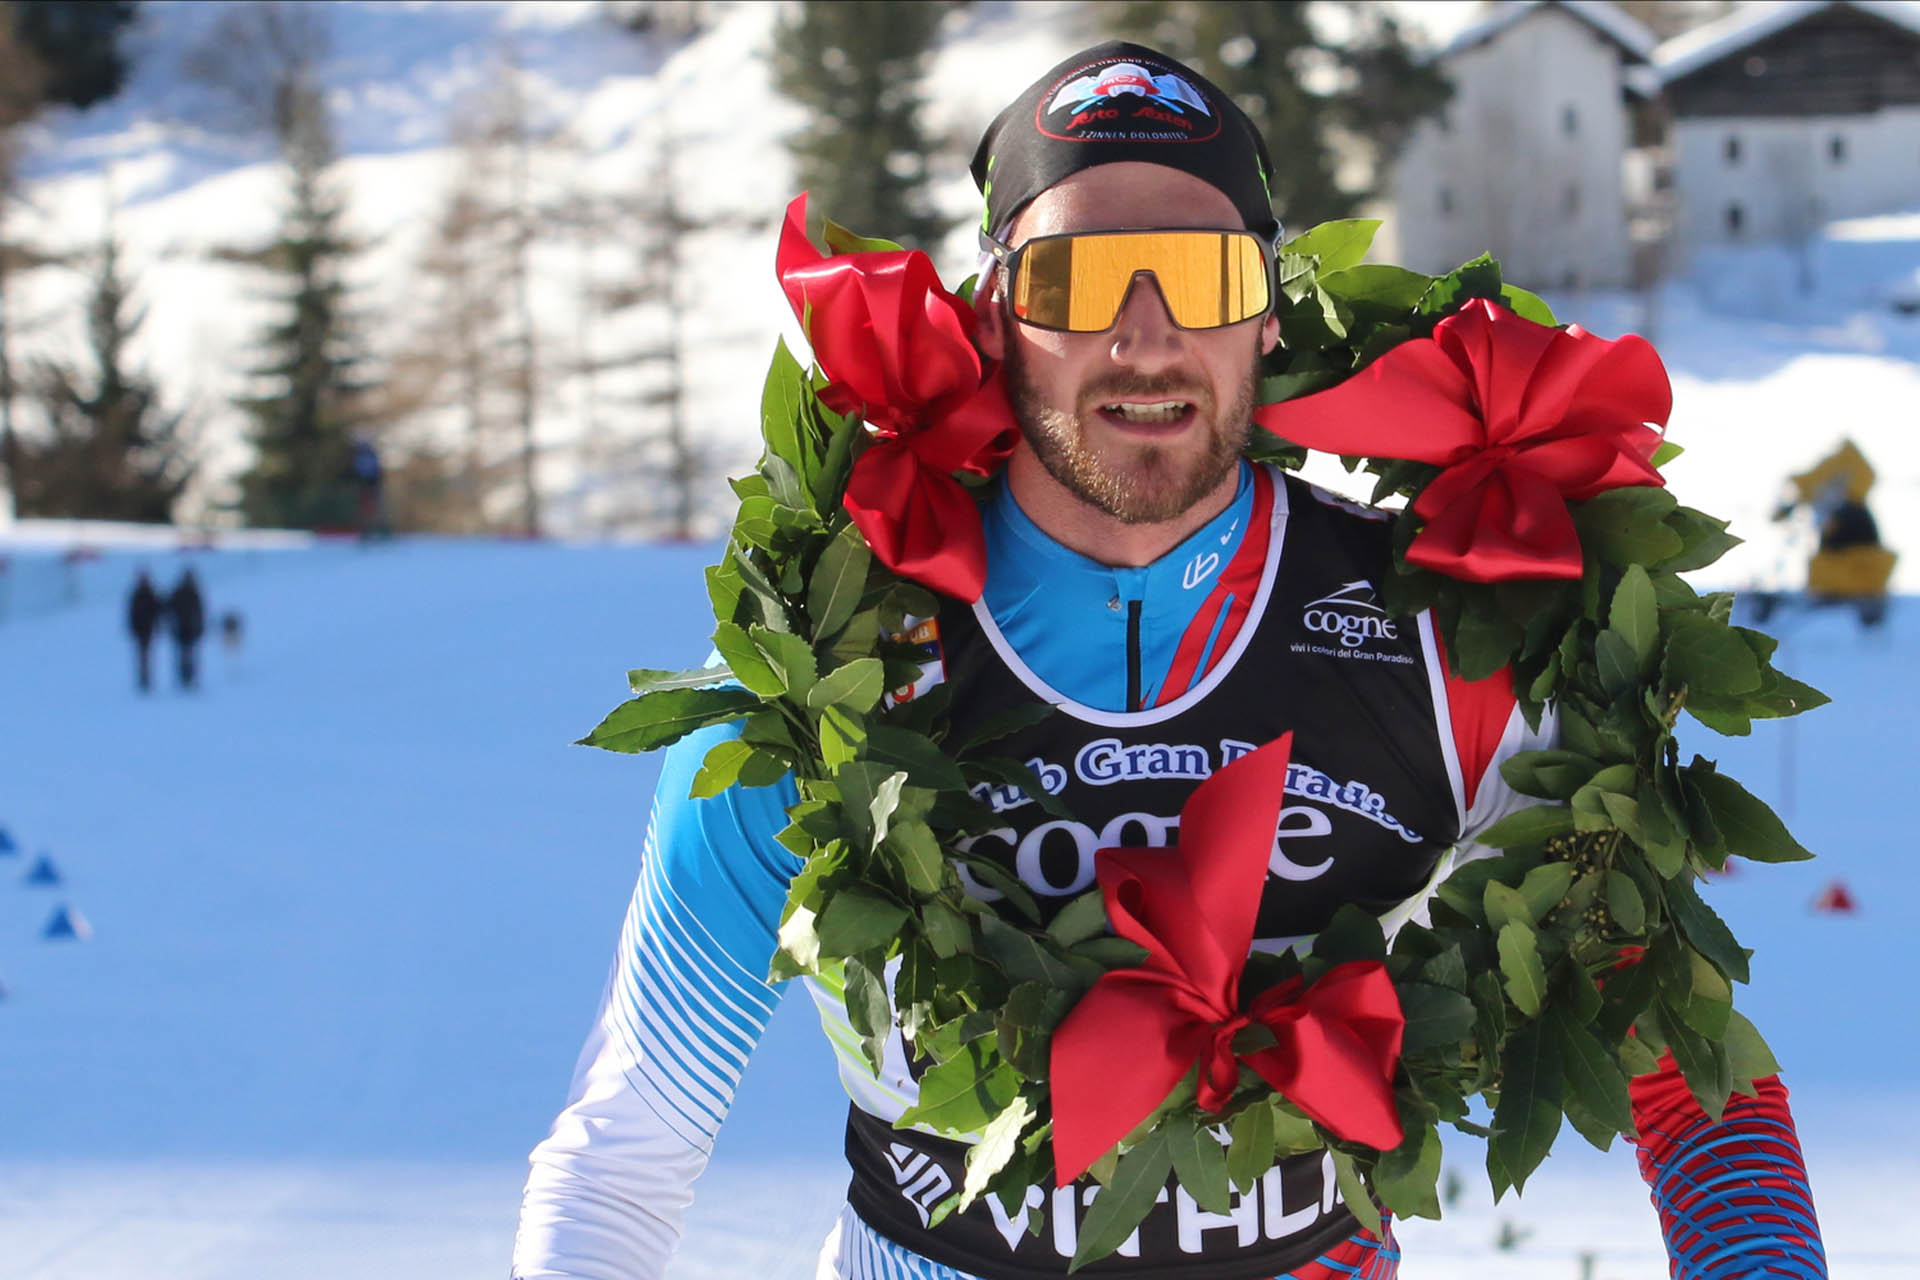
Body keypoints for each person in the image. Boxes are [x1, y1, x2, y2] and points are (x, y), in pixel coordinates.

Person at [514, 43, 1826, 1280]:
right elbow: (626, 1158)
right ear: (994, 311)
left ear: (1267, 313)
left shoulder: (1453, 637)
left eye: (1201, 277)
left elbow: (1689, 1076)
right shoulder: (830, 674)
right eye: (1075, 281)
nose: (1144, 336)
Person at [168, 567, 205, 691]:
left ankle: (190, 678)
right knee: (185, 655)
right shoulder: (181, 593)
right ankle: (185, 678)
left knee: (189, 655)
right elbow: (170, 609)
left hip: (191, 629)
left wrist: (200, 627)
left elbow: (200, 612)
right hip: (181, 628)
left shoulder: (194, 592)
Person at [127, 569, 163, 693]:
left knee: (145, 655)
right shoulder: (139, 594)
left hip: (147, 628)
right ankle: (144, 679)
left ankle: (145, 679)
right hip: (142, 629)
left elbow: (157, 611)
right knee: (143, 656)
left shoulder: (148, 593)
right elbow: (132, 613)